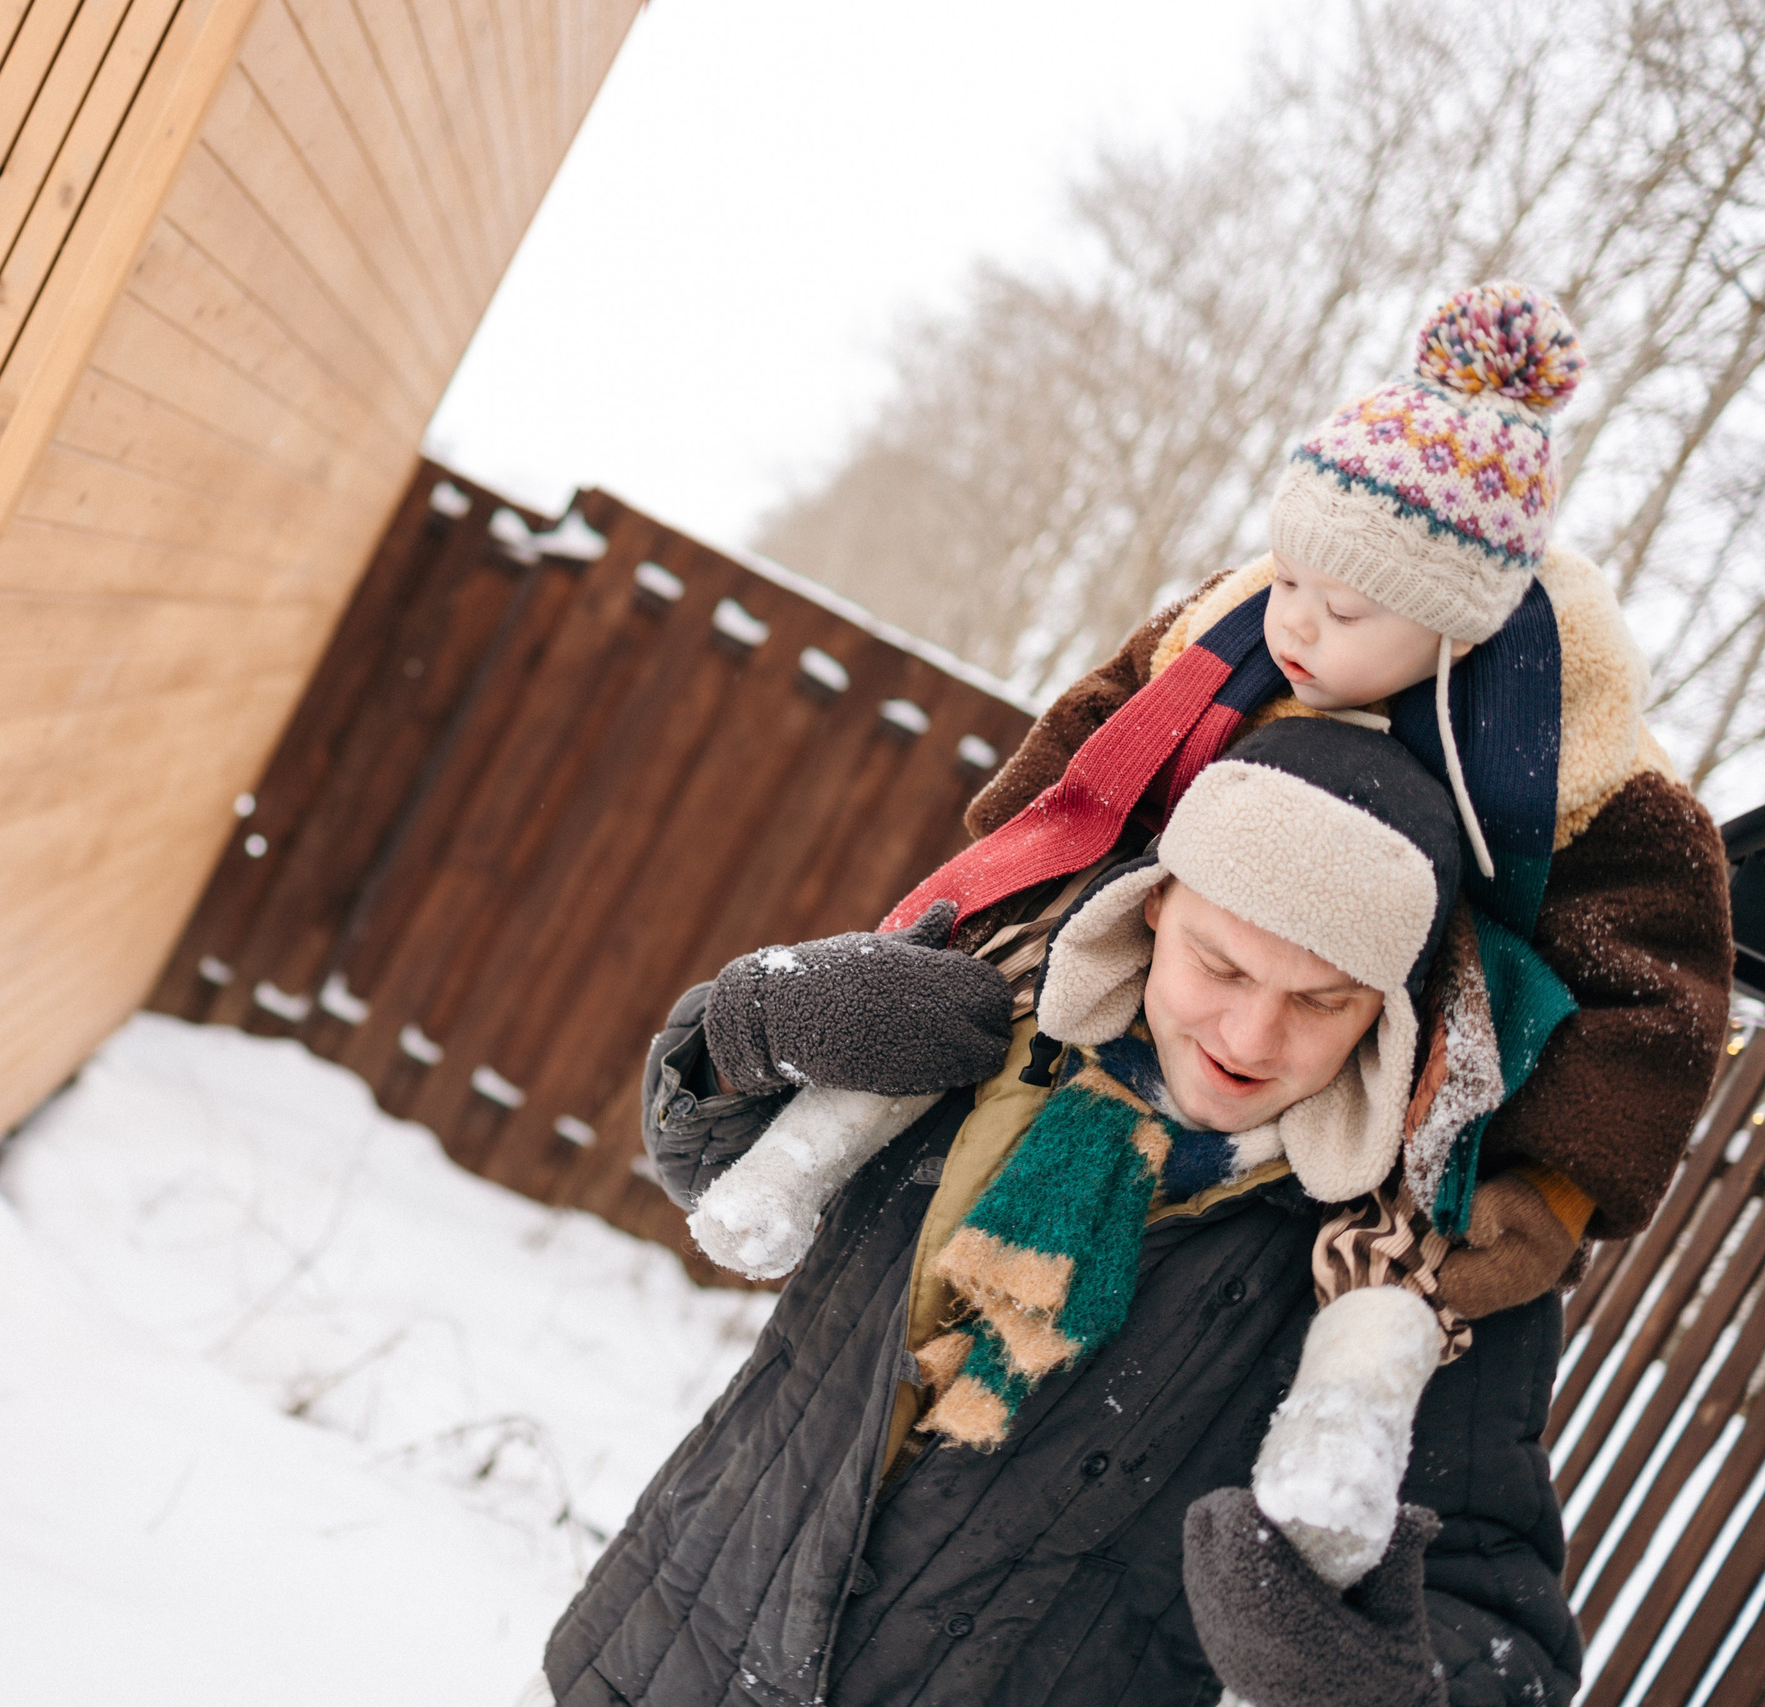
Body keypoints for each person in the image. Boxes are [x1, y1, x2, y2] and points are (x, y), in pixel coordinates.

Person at [536, 718, 1578, 1707]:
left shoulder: (1409, 1263)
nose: (1252, 1037)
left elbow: (1497, 1610)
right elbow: (707, 1165)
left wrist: (1372, 1681)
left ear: (1389, 1015)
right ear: (1155, 907)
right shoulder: (980, 1035)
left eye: (1321, 1002)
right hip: (680, 1645)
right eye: (1221, 965)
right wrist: (740, 1030)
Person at [910, 281, 1734, 1314]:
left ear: (1455, 625)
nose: (1293, 626)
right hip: (1136, 1024)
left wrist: (1550, 1191)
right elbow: (1096, 743)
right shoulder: (1233, 637)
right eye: (1287, 578)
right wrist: (993, 903)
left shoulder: (1578, 764)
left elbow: (1653, 990)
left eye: (1340, 608)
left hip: (1360, 1134)